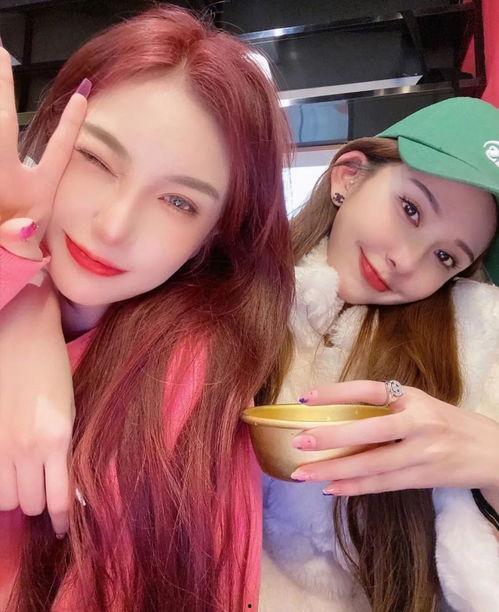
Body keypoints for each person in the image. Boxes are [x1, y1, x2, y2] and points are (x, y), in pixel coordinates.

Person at [0, 5, 294, 611]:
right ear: (48, 137)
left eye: (179, 202)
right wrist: (21, 295)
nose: (114, 226)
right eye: (95, 159)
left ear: (215, 234)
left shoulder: (191, 383)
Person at [260, 97, 499, 612]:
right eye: (411, 209)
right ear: (348, 176)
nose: (406, 262)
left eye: (445, 256)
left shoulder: (477, 346)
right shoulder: (224, 294)